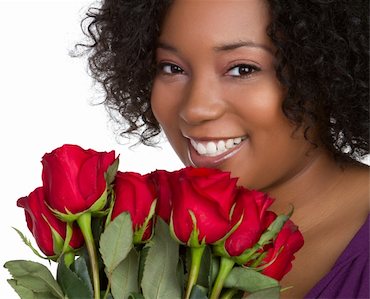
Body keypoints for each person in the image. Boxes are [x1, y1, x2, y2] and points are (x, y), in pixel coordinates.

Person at [77, 0, 369, 298]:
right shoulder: (145, 245)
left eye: (243, 69)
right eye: (171, 67)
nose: (195, 109)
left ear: (325, 70)